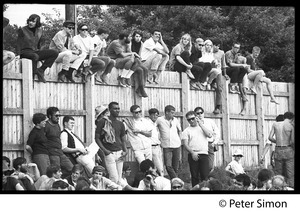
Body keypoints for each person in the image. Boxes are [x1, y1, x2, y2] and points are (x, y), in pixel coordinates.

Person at [16, 14, 59, 83]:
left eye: (33, 21)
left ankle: (41, 70)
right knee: (35, 56)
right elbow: (18, 43)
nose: (30, 23)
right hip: (24, 52)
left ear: (37, 23)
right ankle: (31, 79)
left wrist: (42, 54)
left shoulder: (40, 31)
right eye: (30, 21)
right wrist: (18, 54)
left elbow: (39, 44)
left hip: (35, 51)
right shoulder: (22, 30)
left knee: (54, 52)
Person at [95, 101, 127, 184]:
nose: (117, 110)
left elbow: (123, 139)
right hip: (110, 153)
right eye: (115, 109)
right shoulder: (103, 122)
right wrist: (105, 151)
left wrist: (125, 151)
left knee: (119, 180)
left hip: (119, 153)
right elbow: (97, 138)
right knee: (114, 178)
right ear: (109, 110)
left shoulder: (120, 124)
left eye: (118, 109)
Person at [182, 111, 213, 187]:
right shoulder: (186, 131)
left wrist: (200, 124)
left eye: (193, 118)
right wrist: (192, 153)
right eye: (189, 119)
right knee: (194, 176)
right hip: (193, 154)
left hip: (204, 154)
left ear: (196, 117)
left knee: (205, 175)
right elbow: (185, 144)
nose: (191, 121)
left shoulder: (203, 127)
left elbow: (209, 135)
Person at [44, 107, 73, 178]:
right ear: (50, 116)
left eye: (59, 116)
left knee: (72, 168)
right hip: (52, 153)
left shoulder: (57, 125)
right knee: (56, 172)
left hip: (60, 152)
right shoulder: (46, 126)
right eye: (56, 116)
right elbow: (42, 140)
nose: (58, 117)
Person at [268, 111, 294, 188]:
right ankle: (290, 189)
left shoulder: (275, 124)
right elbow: (292, 141)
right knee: (290, 173)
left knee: (278, 173)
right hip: (288, 149)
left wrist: (278, 141)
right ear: (291, 118)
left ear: (284, 117)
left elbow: (270, 137)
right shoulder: (291, 126)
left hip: (278, 149)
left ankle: (277, 188)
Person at [156, 105, 182, 179]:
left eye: (174, 113)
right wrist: (158, 139)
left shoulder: (176, 120)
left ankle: (174, 184)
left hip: (176, 145)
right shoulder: (159, 120)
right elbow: (154, 129)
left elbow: (180, 130)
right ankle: (176, 180)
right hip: (166, 145)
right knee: (168, 166)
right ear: (167, 112)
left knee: (175, 166)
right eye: (172, 113)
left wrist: (179, 140)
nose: (173, 114)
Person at [225, 42, 249, 115]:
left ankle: (239, 82)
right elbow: (231, 64)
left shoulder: (237, 55)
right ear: (232, 47)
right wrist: (242, 64)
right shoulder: (228, 53)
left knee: (244, 69)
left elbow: (238, 62)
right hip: (227, 69)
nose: (237, 49)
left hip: (234, 70)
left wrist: (244, 64)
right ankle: (233, 84)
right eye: (235, 47)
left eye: (238, 48)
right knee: (237, 69)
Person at [194, 107, 220, 172]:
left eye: (201, 113)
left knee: (210, 165)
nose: (200, 115)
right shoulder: (193, 123)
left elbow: (217, 132)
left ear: (203, 113)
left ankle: (205, 178)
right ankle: (202, 180)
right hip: (199, 146)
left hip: (209, 144)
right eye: (198, 113)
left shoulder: (210, 121)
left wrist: (215, 142)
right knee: (200, 164)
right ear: (195, 114)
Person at [211, 38, 229, 114]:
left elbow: (223, 64)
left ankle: (218, 106)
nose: (217, 48)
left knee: (220, 88)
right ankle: (211, 83)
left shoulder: (221, 53)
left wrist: (225, 74)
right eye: (216, 46)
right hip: (210, 70)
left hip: (218, 72)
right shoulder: (208, 51)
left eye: (218, 46)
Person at [129, 31, 149, 97]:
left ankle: (141, 88)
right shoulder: (130, 42)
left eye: (140, 37)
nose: (138, 38)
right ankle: (141, 89)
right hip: (130, 60)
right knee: (139, 65)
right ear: (134, 37)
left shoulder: (141, 44)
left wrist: (139, 59)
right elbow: (129, 52)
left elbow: (140, 54)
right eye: (136, 36)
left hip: (137, 60)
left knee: (144, 69)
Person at [145, 108, 164, 176]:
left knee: (159, 165)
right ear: (149, 115)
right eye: (153, 115)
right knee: (159, 167)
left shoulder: (155, 124)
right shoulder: (147, 123)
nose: (154, 117)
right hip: (152, 147)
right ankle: (161, 178)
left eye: (156, 115)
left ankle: (160, 180)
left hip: (158, 146)